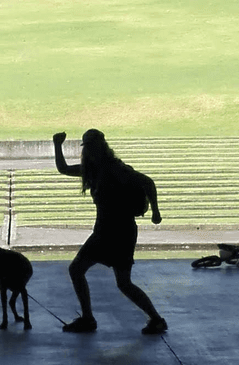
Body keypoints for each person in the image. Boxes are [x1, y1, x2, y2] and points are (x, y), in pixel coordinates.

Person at [53, 129, 167, 335]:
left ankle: (90, 319)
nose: (89, 150)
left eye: (91, 146)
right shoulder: (95, 169)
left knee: (91, 274)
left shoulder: (114, 168)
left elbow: (147, 182)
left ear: (100, 147)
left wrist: (156, 211)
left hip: (114, 231)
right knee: (115, 280)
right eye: (87, 146)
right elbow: (63, 169)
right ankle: (155, 319)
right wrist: (57, 145)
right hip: (112, 231)